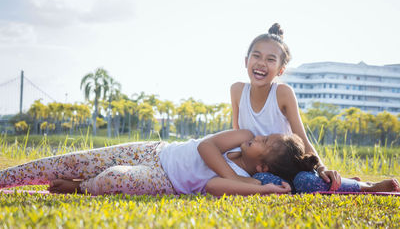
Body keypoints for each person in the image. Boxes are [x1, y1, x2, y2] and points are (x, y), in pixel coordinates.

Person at [230, 23, 398, 193]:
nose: (261, 64)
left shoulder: (282, 93)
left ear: (281, 70)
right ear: (246, 61)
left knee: (305, 182)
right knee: (261, 181)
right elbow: (235, 137)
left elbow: (302, 139)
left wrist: (321, 168)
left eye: (270, 59)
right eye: (256, 56)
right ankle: (340, 183)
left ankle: (364, 186)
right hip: (259, 170)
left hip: (292, 168)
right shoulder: (237, 90)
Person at [0, 130, 318, 196]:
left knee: (115, 179)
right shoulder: (243, 136)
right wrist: (240, 178)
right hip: (153, 152)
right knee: (71, 160)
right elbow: (207, 147)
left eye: (265, 144)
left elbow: (211, 185)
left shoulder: (250, 182)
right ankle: (6, 178)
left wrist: (258, 190)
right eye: (266, 136)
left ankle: (80, 188)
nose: (259, 137)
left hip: (163, 181)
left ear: (263, 167)